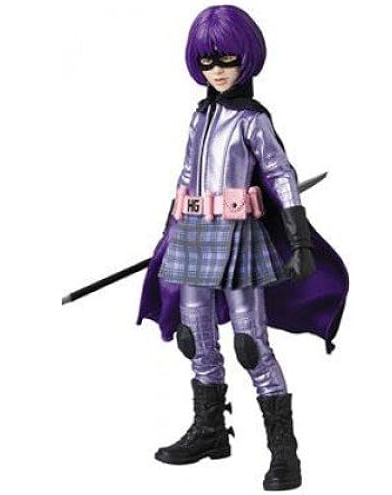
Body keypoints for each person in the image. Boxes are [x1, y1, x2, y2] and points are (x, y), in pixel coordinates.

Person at [137, 5, 348, 491]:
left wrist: (298, 236)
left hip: (238, 237)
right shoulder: (200, 116)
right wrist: (169, 230)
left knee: (250, 344)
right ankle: (211, 431)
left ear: (246, 58)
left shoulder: (252, 120)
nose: (217, 70)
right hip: (193, 234)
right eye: (207, 62)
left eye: (227, 59)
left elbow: (280, 173)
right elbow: (187, 175)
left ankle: (284, 453)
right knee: (194, 336)